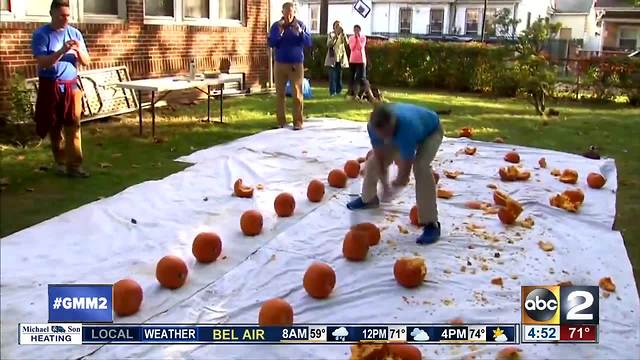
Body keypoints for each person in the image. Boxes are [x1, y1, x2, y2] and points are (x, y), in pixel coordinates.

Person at [347, 103, 444, 245]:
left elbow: (404, 176)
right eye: (383, 135)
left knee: (421, 166)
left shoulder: (407, 128)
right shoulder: (373, 128)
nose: (386, 138)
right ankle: (369, 199)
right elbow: (380, 158)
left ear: (393, 123)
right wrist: (384, 186)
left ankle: (431, 223)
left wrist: (393, 188)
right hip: (401, 132)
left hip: (431, 131)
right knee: (373, 161)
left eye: (389, 133)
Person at [32, 0, 91, 177]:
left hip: (71, 85)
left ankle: (75, 166)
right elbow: (43, 63)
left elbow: (86, 61)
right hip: (50, 85)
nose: (65, 19)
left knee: (73, 124)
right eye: (61, 16)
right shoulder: (41, 34)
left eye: (67, 16)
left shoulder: (75, 33)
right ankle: (60, 162)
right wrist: (62, 51)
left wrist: (78, 51)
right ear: (52, 14)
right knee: (54, 125)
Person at [268, 2, 312, 130]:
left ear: (294, 12)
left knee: (297, 94)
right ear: (282, 12)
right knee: (280, 94)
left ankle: (298, 122)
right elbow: (271, 43)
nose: (288, 15)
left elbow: (309, 42)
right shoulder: (276, 26)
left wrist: (301, 33)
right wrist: (279, 34)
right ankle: (281, 122)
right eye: (286, 13)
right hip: (280, 63)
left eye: (291, 13)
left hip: (295, 64)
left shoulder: (301, 25)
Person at [325, 20, 349, 96]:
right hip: (332, 58)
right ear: (334, 27)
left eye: (339, 26)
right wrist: (336, 36)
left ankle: (339, 91)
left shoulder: (343, 34)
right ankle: (332, 92)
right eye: (336, 26)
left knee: (339, 76)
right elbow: (329, 44)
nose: (338, 27)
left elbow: (346, 43)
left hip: (340, 58)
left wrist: (343, 34)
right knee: (332, 76)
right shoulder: (331, 34)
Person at [347, 25, 367, 98]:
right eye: (355, 30)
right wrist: (355, 39)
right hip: (353, 60)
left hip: (361, 60)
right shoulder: (351, 38)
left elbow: (360, 47)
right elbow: (352, 47)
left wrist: (358, 38)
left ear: (360, 30)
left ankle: (359, 93)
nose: (356, 31)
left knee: (360, 77)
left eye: (357, 30)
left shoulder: (363, 37)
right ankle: (351, 92)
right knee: (351, 77)